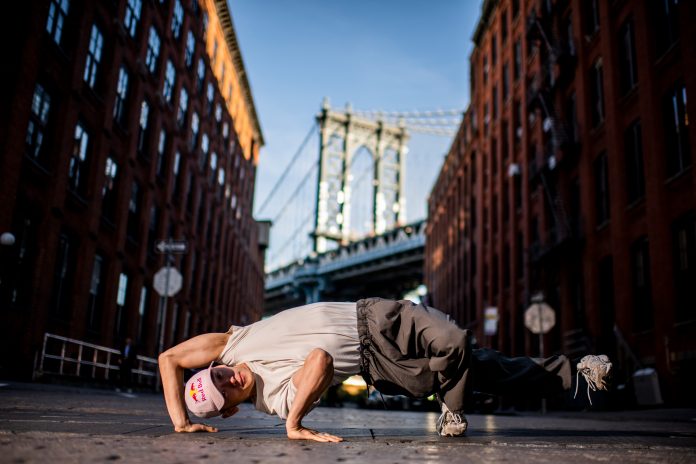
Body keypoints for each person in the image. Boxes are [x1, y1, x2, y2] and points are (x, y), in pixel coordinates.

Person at [159, 298, 612, 442]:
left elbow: (169, 359)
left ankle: (452, 410)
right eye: (224, 395)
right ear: (234, 411)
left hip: (376, 315)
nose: (227, 380)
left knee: (454, 342)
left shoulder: (230, 342)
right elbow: (319, 359)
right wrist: (294, 423)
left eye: (216, 375)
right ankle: (576, 373)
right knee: (479, 366)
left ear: (213, 366)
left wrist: (181, 422)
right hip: (377, 363)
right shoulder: (277, 400)